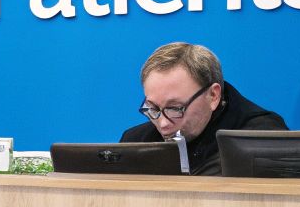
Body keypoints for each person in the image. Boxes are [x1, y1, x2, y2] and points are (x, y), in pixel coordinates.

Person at [119, 42, 286, 175]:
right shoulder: (135, 142)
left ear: (213, 96)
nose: (163, 124)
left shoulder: (262, 139)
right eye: (153, 108)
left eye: (175, 108)